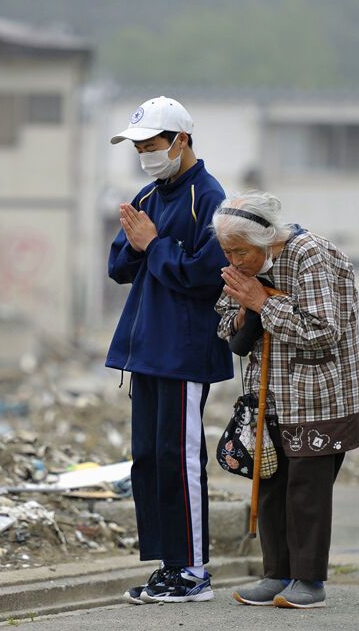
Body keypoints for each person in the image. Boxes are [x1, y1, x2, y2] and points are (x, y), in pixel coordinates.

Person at [211, 191, 359, 609]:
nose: (234, 260)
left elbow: (322, 332)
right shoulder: (243, 264)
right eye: (227, 251)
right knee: (271, 484)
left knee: (307, 491)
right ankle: (275, 574)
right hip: (269, 393)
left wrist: (263, 302)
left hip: (319, 395)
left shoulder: (308, 254)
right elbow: (226, 322)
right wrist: (245, 308)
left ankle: (309, 581)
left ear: (266, 241)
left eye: (240, 251)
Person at [106, 96, 233, 604]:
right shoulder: (149, 193)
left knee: (181, 459)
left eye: (152, 144)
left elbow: (205, 277)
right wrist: (142, 244)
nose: (145, 154)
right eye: (138, 146)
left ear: (181, 141)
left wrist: (154, 245)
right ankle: (169, 567)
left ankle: (194, 571)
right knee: (149, 459)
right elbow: (120, 265)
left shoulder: (212, 198)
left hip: (183, 351)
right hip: (146, 352)